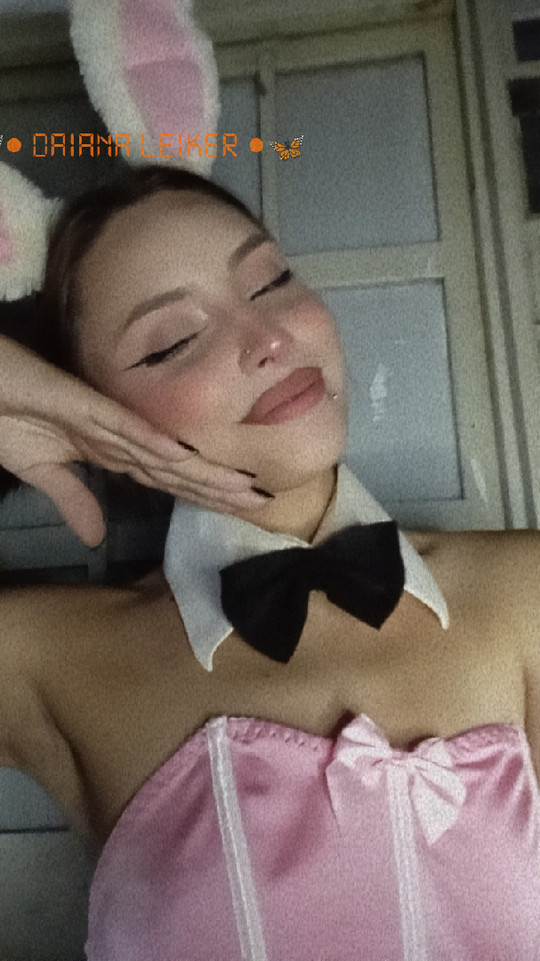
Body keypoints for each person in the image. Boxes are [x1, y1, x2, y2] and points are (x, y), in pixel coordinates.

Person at [0, 163, 539, 961]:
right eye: (173, 340)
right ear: (89, 413)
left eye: (270, 280)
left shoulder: (526, 590)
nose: (270, 338)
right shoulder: (44, 656)